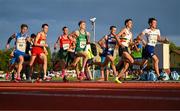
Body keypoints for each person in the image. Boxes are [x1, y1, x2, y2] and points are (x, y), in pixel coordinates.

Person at [113, 19, 134, 83]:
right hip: (122, 48)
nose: (131, 24)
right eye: (130, 23)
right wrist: (120, 43)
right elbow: (116, 36)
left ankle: (117, 78)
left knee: (126, 66)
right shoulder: (124, 29)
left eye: (132, 23)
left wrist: (135, 43)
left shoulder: (131, 33)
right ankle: (118, 64)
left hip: (126, 48)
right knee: (132, 61)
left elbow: (130, 43)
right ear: (126, 24)